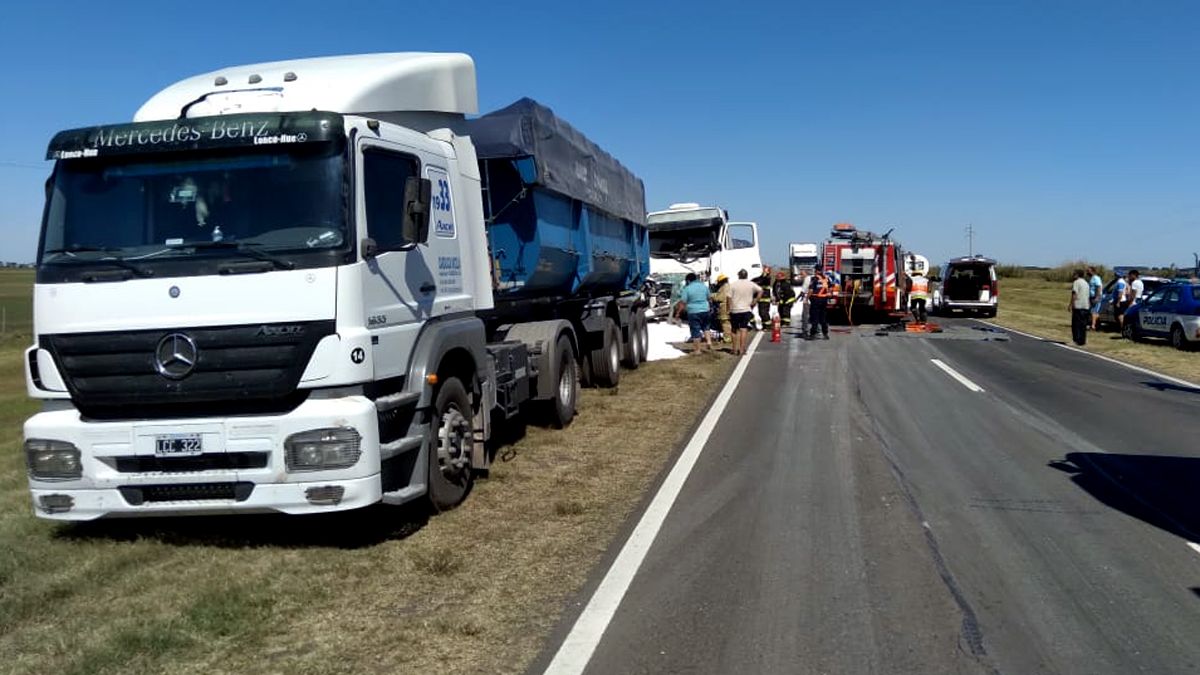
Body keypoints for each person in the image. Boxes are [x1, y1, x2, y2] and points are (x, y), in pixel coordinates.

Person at [728, 269, 761, 355]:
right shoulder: (751, 284)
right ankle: (742, 349)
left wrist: (729, 308)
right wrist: (755, 300)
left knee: (734, 329)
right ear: (746, 275)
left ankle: (734, 349)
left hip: (735, 310)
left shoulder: (733, 285)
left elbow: (728, 297)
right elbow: (761, 290)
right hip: (746, 309)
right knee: (743, 329)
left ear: (738, 275)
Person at [679, 272, 713, 354]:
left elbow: (683, 302)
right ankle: (708, 342)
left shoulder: (687, 289)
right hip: (705, 310)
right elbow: (709, 298)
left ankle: (697, 350)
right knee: (706, 327)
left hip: (693, 311)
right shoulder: (704, 286)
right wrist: (710, 307)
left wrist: (678, 312)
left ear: (688, 280)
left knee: (695, 330)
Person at [807, 265, 832, 340]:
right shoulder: (826, 279)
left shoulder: (814, 279)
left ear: (816, 270)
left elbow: (811, 290)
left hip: (815, 300)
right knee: (823, 318)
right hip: (824, 300)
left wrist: (806, 298)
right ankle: (825, 334)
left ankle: (812, 334)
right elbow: (830, 289)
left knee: (815, 317)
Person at [1069, 268, 1090, 346]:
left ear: (1077, 275)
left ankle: (1076, 340)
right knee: (1083, 325)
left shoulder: (1076, 282)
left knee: (1076, 324)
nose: (1073, 275)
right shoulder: (1086, 283)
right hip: (1085, 306)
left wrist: (1071, 304)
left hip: (1078, 305)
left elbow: (1074, 294)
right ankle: (1082, 340)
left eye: (1074, 274)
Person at [710, 274, 733, 344]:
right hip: (728, 307)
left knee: (725, 324)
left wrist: (712, 296)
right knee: (727, 323)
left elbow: (720, 298)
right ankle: (728, 337)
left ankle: (727, 339)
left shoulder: (724, 288)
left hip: (724, 308)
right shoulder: (729, 286)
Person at [1087, 266, 1103, 330]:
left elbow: (1098, 287)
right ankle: (1097, 324)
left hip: (1096, 296)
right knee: (1093, 311)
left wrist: (1097, 297)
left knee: (1093, 311)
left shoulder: (1096, 278)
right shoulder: (1091, 278)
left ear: (1093, 271)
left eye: (1088, 271)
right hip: (1092, 296)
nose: (1087, 272)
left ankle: (1093, 326)